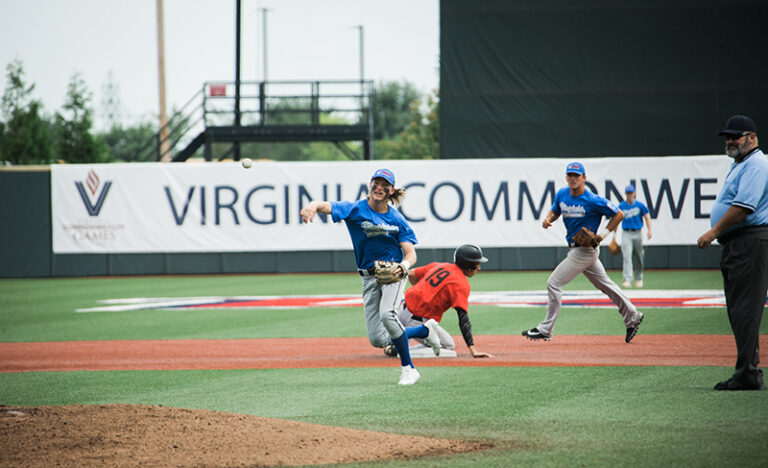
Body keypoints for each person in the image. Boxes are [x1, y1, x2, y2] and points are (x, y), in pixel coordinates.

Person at [300, 168, 435, 386]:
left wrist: (403, 266)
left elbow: (411, 253)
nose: (379, 188)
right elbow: (326, 205)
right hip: (368, 277)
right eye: (377, 183)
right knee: (378, 339)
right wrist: (311, 206)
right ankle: (424, 330)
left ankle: (408, 369)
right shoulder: (355, 209)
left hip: (393, 273)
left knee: (387, 315)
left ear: (391, 190)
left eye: (385, 185)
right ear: (370, 185)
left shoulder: (397, 219)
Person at [522, 161, 644, 343]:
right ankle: (632, 316)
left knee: (553, 283)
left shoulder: (592, 200)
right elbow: (555, 210)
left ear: (584, 178)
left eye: (576, 176)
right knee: (606, 285)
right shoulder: (562, 194)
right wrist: (548, 219)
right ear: (566, 177)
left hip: (585, 251)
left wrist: (602, 235)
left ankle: (546, 329)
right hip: (576, 249)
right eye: (570, 175)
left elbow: (618, 214)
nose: (573, 178)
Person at [697, 114, 768, 391]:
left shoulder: (757, 164)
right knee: (740, 309)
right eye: (727, 136)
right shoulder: (743, 164)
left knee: (746, 309)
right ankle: (747, 371)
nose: (729, 141)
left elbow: (743, 207)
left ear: (752, 137)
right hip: (739, 244)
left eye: (735, 136)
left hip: (749, 241)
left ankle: (747, 373)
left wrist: (713, 232)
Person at [396, 244, 494, 358]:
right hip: (416, 320)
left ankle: (397, 345)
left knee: (429, 335)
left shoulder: (440, 266)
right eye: (477, 264)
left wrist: (423, 293)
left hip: (402, 309)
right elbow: (463, 318)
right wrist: (472, 349)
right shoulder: (461, 284)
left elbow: (411, 273)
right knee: (447, 344)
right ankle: (402, 350)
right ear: (469, 265)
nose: (479, 268)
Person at [618, 184, 652, 288]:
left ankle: (639, 277)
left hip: (637, 232)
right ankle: (627, 279)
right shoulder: (621, 206)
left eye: (631, 193)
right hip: (626, 232)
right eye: (628, 193)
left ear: (634, 193)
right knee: (626, 256)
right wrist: (614, 234)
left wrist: (649, 230)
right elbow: (617, 219)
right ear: (625, 194)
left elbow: (646, 217)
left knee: (639, 256)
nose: (629, 195)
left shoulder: (639, 205)